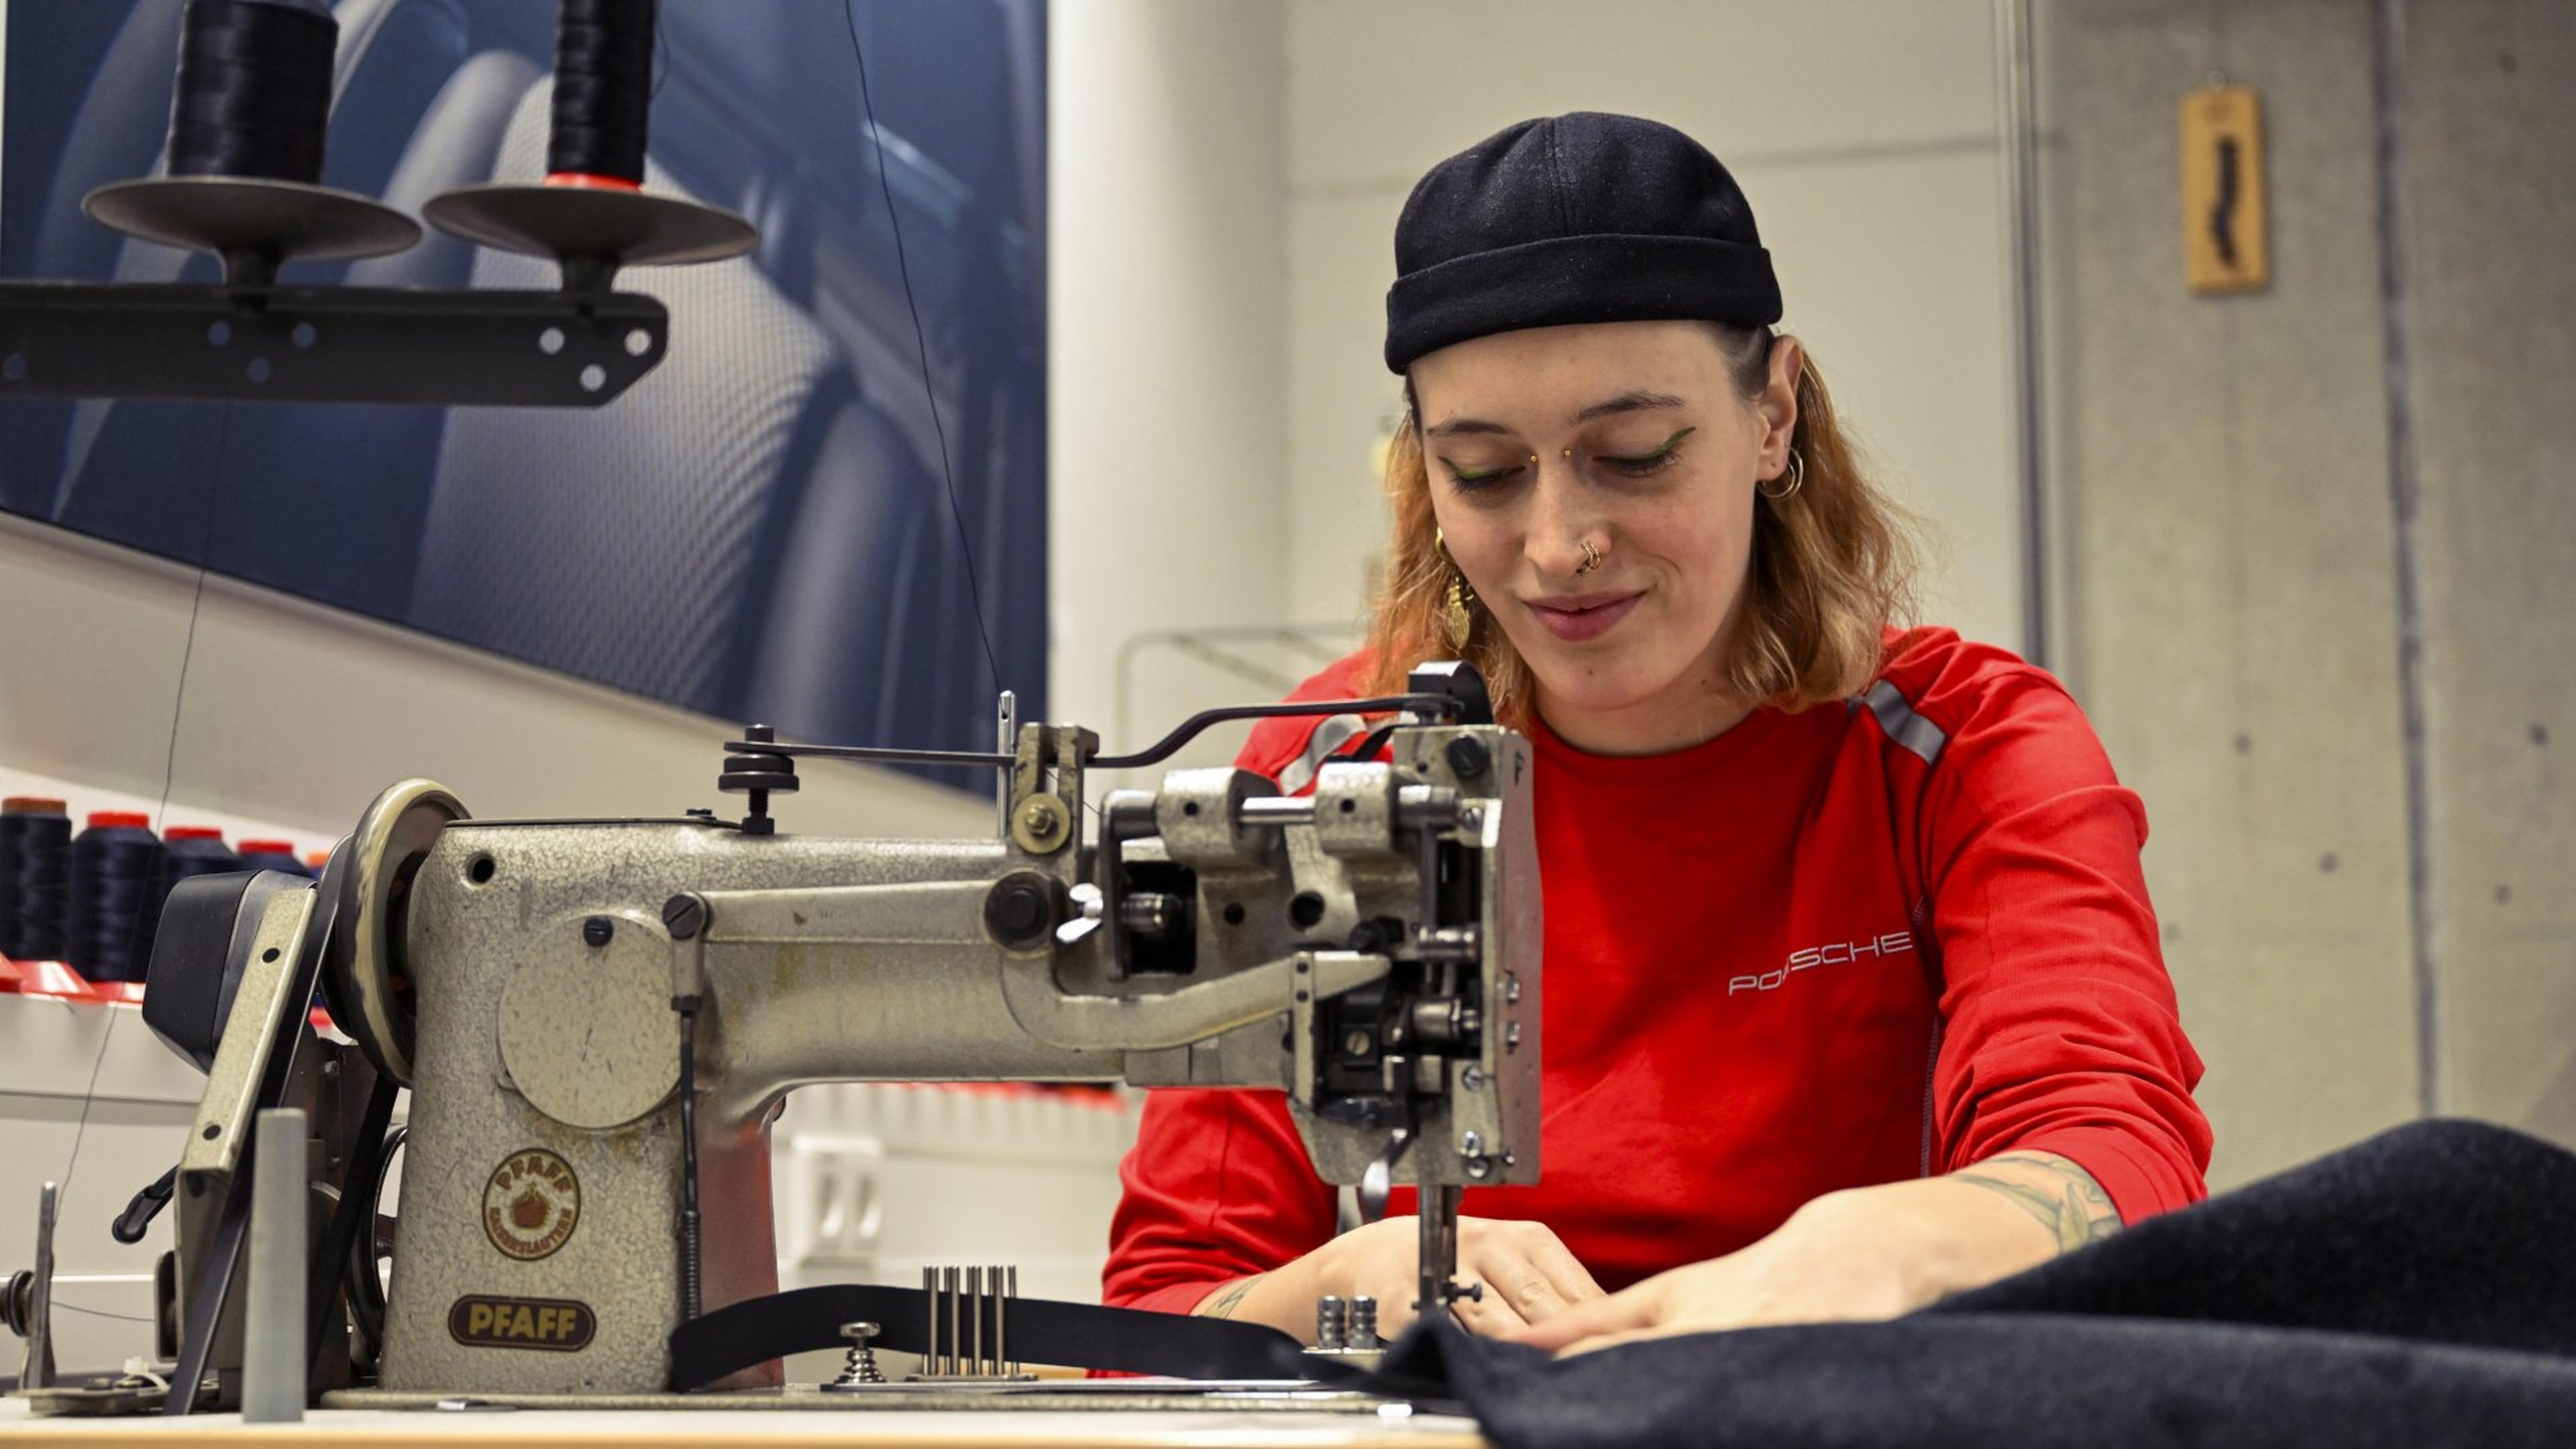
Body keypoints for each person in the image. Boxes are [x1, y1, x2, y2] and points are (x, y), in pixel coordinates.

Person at [1102, 112, 2209, 1358]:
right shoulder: (1318, 785)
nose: (1559, 544)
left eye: (1633, 455)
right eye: (1484, 471)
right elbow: (1156, 1310)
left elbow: (2113, 1165)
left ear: (1774, 414)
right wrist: (1347, 1278)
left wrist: (1867, 1251)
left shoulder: (1964, 755)